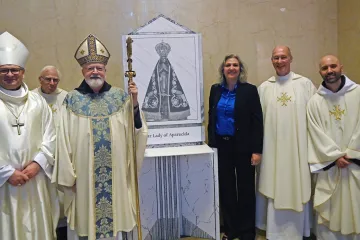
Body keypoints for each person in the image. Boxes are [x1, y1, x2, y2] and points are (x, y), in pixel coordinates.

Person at [55, 34, 148, 240]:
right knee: (86, 226)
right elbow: (61, 138)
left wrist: (134, 103)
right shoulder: (71, 100)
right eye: (90, 68)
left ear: (105, 71)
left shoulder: (120, 97)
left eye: (99, 68)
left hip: (115, 173)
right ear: (83, 71)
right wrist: (67, 173)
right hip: (83, 175)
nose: (95, 71)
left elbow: (136, 131)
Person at [0, 32, 59, 239]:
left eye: (14, 70)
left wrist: (37, 164)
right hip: (4, 185)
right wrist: (6, 173)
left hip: (35, 179)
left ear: (22, 72)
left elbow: (51, 136)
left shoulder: (37, 102)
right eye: (4, 70)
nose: (9, 74)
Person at [256, 46, 316, 240]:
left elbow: (315, 118)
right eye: (275, 58)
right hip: (272, 150)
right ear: (271, 60)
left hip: (298, 150)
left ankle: (300, 231)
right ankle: (274, 232)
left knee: (298, 184)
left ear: (291, 58)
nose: (279, 61)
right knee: (274, 185)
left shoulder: (305, 84)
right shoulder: (264, 88)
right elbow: (257, 122)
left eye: (283, 57)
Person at [207, 54, 263, 240]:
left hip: (244, 147)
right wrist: (211, 145)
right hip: (222, 147)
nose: (232, 68)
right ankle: (230, 230)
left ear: (240, 69)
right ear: (223, 69)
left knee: (246, 189)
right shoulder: (215, 90)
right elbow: (211, 118)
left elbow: (257, 122)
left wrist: (257, 150)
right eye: (228, 65)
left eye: (235, 65)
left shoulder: (249, 91)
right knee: (227, 189)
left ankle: (247, 232)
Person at [307, 55, 360, 240]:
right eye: (324, 68)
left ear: (341, 67)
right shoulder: (315, 102)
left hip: (355, 166)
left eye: (333, 66)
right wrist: (335, 156)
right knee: (330, 211)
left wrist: (351, 153)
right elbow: (315, 133)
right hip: (330, 166)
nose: (329, 71)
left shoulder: (358, 93)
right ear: (320, 72)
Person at [32, 65, 68, 239]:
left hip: (63, 156)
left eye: (55, 80)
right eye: (48, 79)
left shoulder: (66, 97)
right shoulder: (31, 98)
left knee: (62, 198)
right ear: (40, 80)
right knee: (46, 198)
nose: (52, 83)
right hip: (42, 158)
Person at [142, 41, 190, 121]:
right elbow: (155, 77)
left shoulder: (169, 67)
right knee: (159, 99)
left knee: (170, 98)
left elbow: (172, 77)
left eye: (165, 58)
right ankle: (160, 114)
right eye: (162, 58)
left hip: (168, 85)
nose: (163, 60)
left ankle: (170, 114)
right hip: (160, 86)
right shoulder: (157, 67)